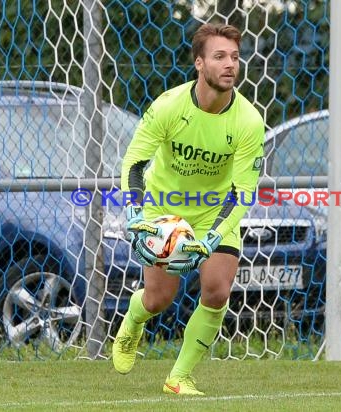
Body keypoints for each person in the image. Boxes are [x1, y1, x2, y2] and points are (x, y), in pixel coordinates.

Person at [112, 22, 265, 396]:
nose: (230, 64)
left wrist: (212, 238)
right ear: (199, 63)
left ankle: (179, 378)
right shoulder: (168, 106)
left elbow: (242, 190)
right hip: (164, 210)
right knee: (158, 299)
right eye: (219, 56)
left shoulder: (248, 121)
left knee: (217, 290)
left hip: (216, 212)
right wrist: (134, 215)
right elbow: (134, 163)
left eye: (234, 57)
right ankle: (134, 319)